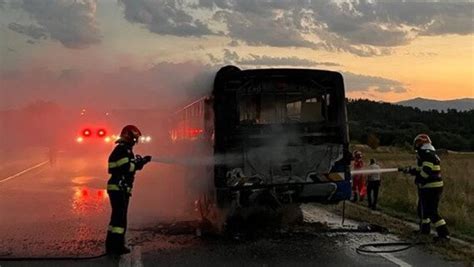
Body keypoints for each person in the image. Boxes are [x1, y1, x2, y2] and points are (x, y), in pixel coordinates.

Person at [105, 125, 152, 255]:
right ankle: (117, 247)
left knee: (116, 220)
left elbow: (128, 166)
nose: (135, 141)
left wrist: (140, 162)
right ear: (128, 136)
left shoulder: (125, 149)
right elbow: (126, 167)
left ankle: (112, 246)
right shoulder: (122, 150)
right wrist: (140, 163)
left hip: (119, 188)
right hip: (118, 188)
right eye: (134, 138)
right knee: (119, 221)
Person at [400, 133, 449, 241]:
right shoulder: (429, 153)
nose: (416, 145)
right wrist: (409, 170)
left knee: (432, 212)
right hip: (430, 186)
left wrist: (419, 180)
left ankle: (444, 235)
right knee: (422, 209)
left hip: (431, 187)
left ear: (422, 143)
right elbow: (422, 168)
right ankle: (424, 230)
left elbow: (427, 170)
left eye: (417, 143)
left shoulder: (426, 153)